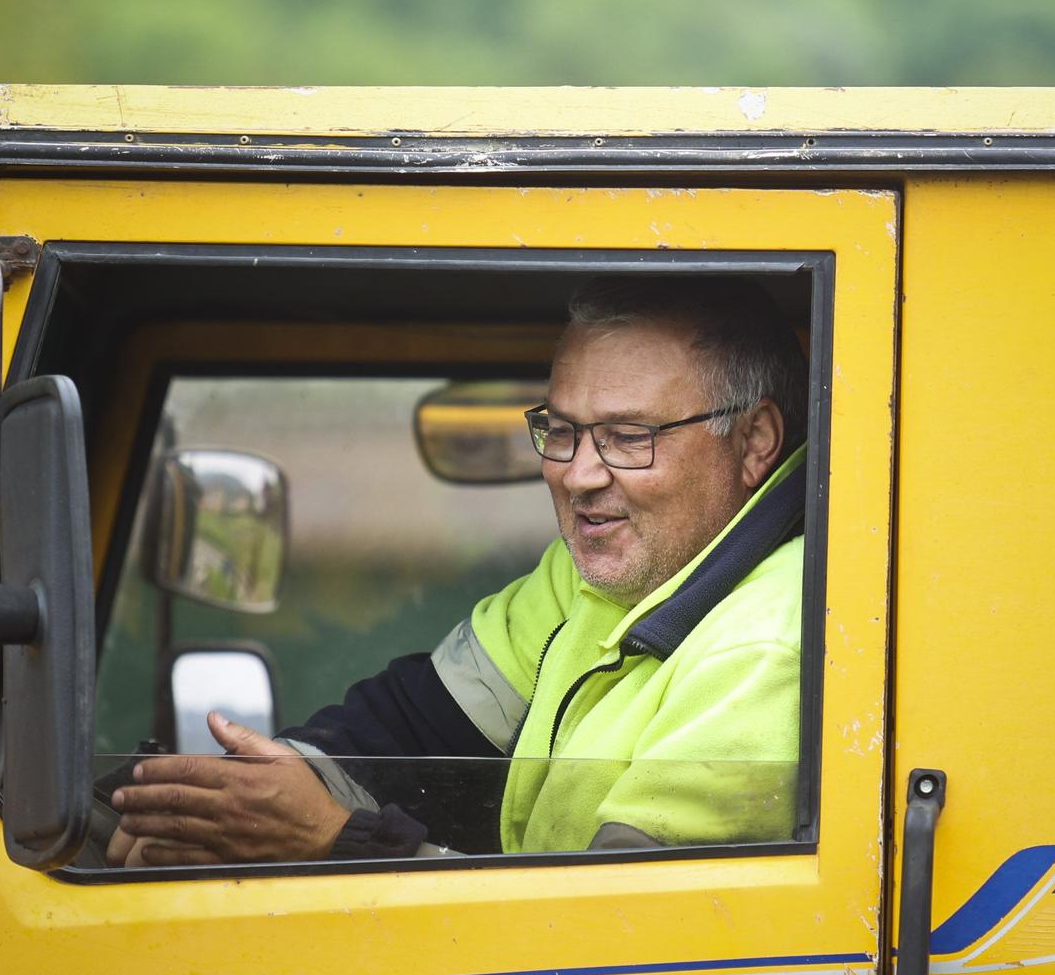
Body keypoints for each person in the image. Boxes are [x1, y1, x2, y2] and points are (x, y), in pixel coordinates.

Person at [108, 275, 810, 865]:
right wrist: (214, 808)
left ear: (754, 442)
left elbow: (608, 944)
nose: (577, 475)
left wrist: (334, 841)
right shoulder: (611, 571)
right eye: (562, 432)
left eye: (628, 438)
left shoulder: (768, 651)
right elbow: (412, 727)